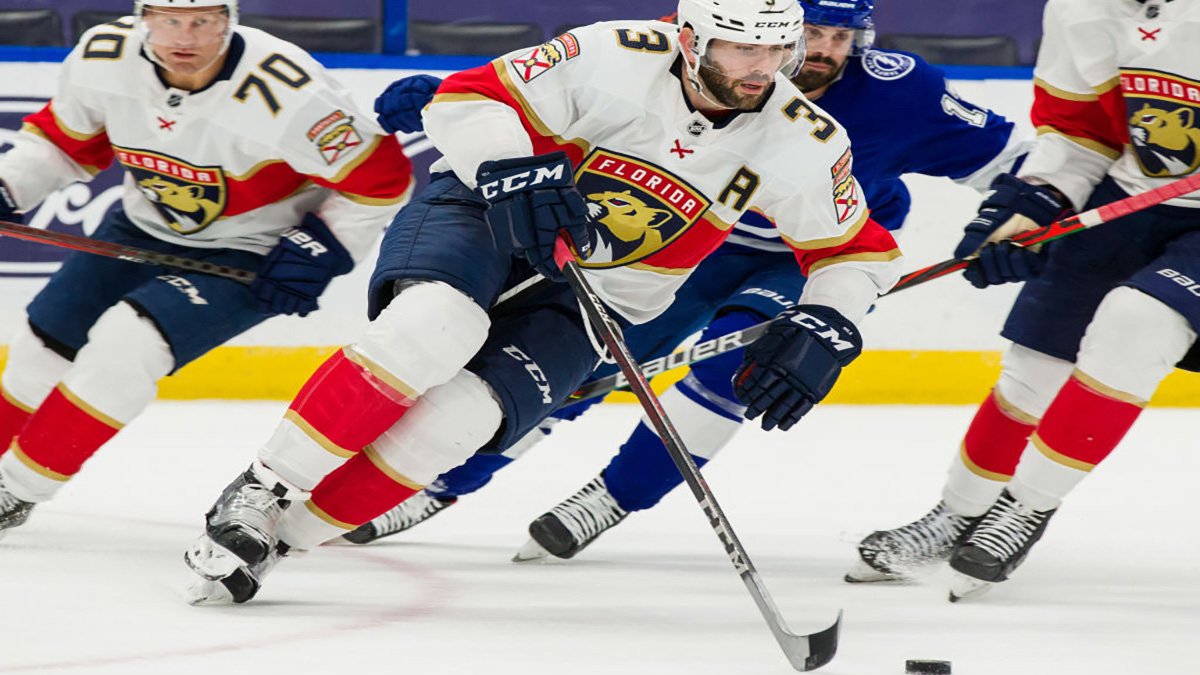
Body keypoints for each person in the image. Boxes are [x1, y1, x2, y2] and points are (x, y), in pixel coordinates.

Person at [183, 0, 904, 604]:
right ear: (690, 39)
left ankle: (278, 542)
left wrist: (829, 319)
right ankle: (260, 486)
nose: (763, 67)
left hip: (607, 292)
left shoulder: (805, 138)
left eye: (777, 49)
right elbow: (471, 94)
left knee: (462, 420)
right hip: (487, 212)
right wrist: (512, 169)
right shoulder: (613, 52)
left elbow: (853, 250)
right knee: (436, 325)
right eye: (742, 48)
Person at [345, 0, 1029, 563]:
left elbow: (1010, 160)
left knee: (737, 366)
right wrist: (446, 99)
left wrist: (1024, 217)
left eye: (839, 36)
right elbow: (573, 100)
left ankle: (614, 496)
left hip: (796, 259)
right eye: (810, 32)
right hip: (682, 247)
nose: (822, 49)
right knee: (584, 363)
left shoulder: (901, 92)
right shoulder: (695, 60)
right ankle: (442, 483)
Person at [0, 0, 412, 536]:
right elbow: (62, 141)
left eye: (203, 20)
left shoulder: (290, 92)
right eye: (169, 20)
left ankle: (15, 491)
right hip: (140, 225)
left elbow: (380, 180)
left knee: (128, 346)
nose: (185, 36)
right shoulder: (103, 57)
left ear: (230, 20)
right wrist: (9, 185)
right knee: (41, 344)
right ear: (143, 18)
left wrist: (319, 249)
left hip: (249, 249)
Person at [848, 0, 1200, 600]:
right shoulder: (1082, 9)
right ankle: (956, 515)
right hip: (1128, 195)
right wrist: (1032, 204)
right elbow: (1080, 132)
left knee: (1136, 322)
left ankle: (1026, 508)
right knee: (1035, 366)